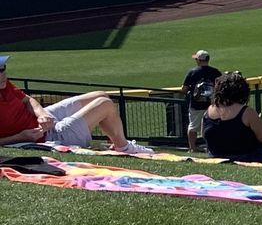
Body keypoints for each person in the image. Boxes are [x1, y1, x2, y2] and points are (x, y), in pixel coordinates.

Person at [0, 55, 152, 154]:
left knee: (101, 95)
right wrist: (20, 137)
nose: (3, 75)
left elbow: (28, 100)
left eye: (3, 69)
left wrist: (41, 113)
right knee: (105, 104)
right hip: (46, 136)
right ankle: (124, 147)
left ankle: (115, 143)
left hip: (44, 119)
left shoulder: (5, 85)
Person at [199, 72, 262, 164]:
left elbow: (204, 135)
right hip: (248, 157)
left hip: (216, 157)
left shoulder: (208, 112)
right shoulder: (247, 113)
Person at [181, 49, 220, 153]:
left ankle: (192, 148)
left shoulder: (192, 72)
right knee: (211, 127)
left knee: (193, 127)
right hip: (212, 106)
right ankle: (210, 148)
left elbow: (184, 89)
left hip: (196, 105)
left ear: (199, 60)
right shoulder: (215, 72)